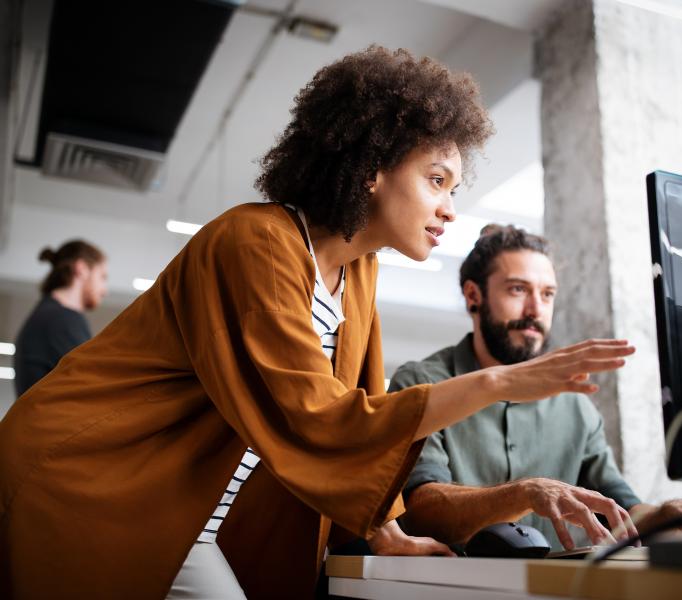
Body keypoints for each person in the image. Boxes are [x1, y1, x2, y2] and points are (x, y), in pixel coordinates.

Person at [0, 47, 635, 599]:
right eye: (436, 179)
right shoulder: (255, 242)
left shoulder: (357, 272)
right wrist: (497, 384)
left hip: (180, 508)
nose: (448, 207)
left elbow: (360, 411)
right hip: (94, 477)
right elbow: (317, 417)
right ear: (373, 166)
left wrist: (390, 537)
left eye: (454, 188)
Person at [392, 225, 682, 552]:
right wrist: (524, 493)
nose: (535, 310)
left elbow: (620, 508)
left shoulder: (575, 403)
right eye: (517, 290)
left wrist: (667, 515)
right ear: (474, 296)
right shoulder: (421, 383)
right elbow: (421, 511)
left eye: (547, 294)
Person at [14, 240, 108, 397]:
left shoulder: (50, 315)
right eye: (103, 277)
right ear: (82, 269)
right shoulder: (61, 319)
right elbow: (93, 386)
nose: (105, 290)